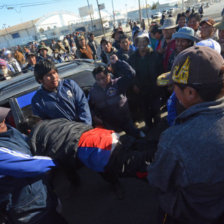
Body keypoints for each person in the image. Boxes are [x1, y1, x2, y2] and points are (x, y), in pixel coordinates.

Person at [148, 46, 224, 224]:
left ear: (190, 93)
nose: (172, 92)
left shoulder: (176, 139)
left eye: (174, 87)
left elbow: (157, 179)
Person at [0, 107, 67, 224]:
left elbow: (31, 143)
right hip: (29, 212)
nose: (3, 121)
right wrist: (59, 158)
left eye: (3, 118)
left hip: (42, 197)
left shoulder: (10, 132)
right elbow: (32, 165)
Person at [89, 54, 144, 138]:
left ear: (108, 75)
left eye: (103, 78)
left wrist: (118, 62)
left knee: (137, 136)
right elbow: (89, 106)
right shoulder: (93, 91)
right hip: (109, 124)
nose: (101, 82)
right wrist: (94, 116)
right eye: (98, 80)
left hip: (125, 119)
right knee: (116, 146)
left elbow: (131, 74)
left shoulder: (118, 83)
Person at [31, 59, 92, 125]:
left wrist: (86, 126)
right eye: (49, 75)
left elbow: (83, 104)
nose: (54, 77)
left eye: (54, 73)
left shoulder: (69, 85)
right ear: (40, 80)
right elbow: (44, 125)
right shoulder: (38, 101)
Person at [128, 31, 163, 128]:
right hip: (141, 90)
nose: (142, 44)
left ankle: (158, 130)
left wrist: (159, 84)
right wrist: (134, 85)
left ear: (148, 42)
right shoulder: (132, 58)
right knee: (145, 111)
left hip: (154, 88)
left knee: (156, 111)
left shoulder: (155, 55)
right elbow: (130, 74)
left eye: (144, 41)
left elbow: (160, 71)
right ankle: (149, 130)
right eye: (139, 42)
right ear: (136, 43)